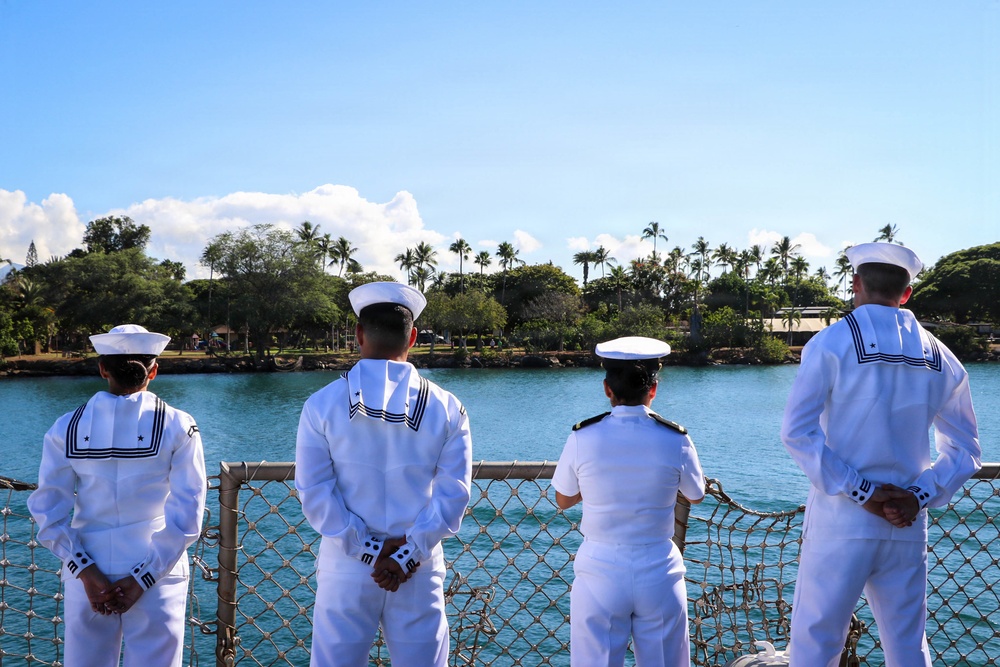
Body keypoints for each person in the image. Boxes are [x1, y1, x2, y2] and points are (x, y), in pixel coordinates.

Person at [781, 243, 981, 667]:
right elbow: (966, 450)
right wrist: (917, 496)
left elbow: (798, 433)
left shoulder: (830, 343)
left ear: (856, 285)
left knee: (815, 645)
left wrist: (863, 491)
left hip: (842, 520)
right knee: (908, 647)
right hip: (907, 523)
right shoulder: (942, 357)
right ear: (906, 293)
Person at [295, 282, 473, 667]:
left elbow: (314, 492)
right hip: (417, 567)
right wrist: (407, 554)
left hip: (348, 565)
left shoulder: (321, 404)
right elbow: (454, 495)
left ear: (359, 335)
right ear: (412, 336)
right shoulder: (448, 406)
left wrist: (370, 550)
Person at [28, 324, 207, 667]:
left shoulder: (65, 427)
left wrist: (85, 571)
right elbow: (188, 516)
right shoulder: (179, 425)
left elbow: (47, 511)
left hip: (87, 573)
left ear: (102, 369)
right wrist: (143, 578)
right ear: (154, 370)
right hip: (158, 575)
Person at [553, 336, 706, 667]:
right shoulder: (676, 438)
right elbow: (696, 493)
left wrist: (594, 487)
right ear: (653, 389)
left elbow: (563, 499)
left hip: (600, 569)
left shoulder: (583, 436)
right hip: (659, 567)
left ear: (607, 388)